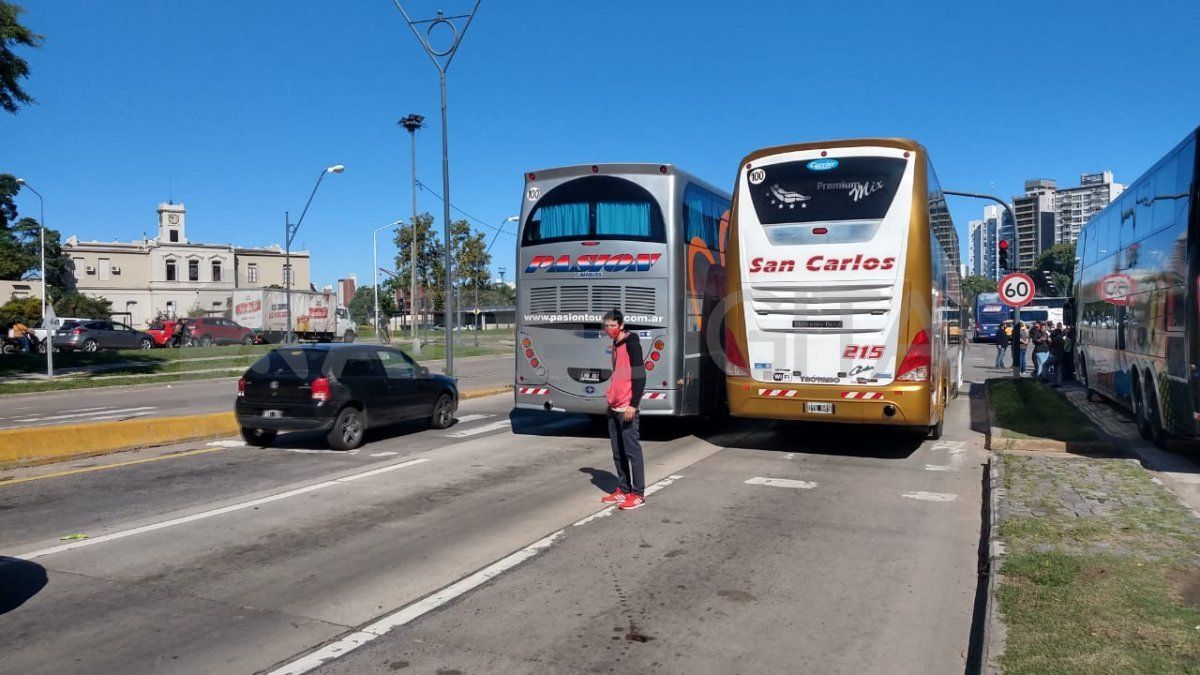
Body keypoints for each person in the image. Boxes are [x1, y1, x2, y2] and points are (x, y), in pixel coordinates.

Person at [599, 308, 646, 511]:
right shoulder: (615, 345)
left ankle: (637, 494)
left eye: (612, 325)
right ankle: (624, 489)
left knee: (631, 452)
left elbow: (640, 376)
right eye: (606, 326)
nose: (609, 329)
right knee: (617, 452)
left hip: (627, 407)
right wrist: (611, 401)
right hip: (614, 407)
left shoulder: (631, 344)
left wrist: (633, 405)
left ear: (621, 325)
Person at [1047, 322, 1066, 386]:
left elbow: (1051, 343)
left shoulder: (1056, 337)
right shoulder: (1063, 335)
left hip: (1056, 353)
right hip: (1061, 353)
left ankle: (1046, 377)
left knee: (1046, 365)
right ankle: (1058, 382)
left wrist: (1050, 343)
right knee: (1058, 368)